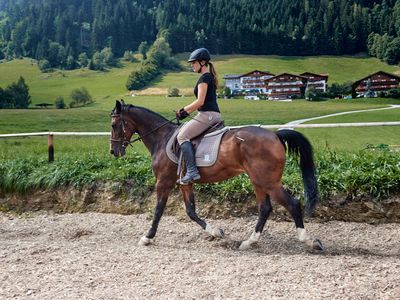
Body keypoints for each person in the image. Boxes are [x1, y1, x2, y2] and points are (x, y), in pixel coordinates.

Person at [175, 48, 221, 185]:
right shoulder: (209, 77)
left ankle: (192, 171)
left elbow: (200, 102)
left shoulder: (204, 78)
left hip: (208, 115)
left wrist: (183, 111)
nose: (191, 65)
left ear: (202, 62)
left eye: (193, 63)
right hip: (212, 114)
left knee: (181, 136)